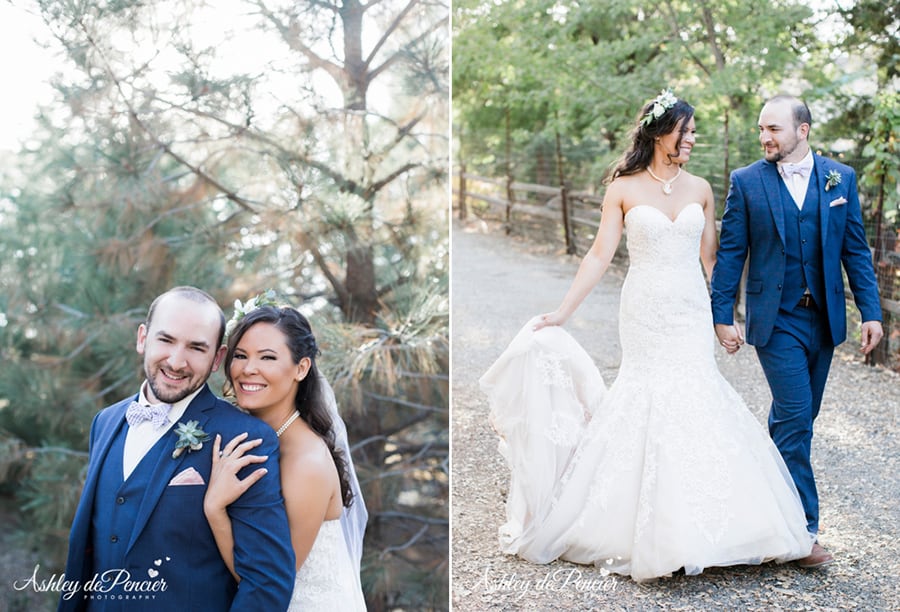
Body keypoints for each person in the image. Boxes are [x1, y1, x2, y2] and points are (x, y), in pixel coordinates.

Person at [481, 90, 815, 583]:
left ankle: (715, 524)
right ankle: (642, 528)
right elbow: (598, 255)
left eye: (695, 133)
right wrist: (562, 313)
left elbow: (713, 262)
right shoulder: (623, 187)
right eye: (687, 132)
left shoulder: (701, 187)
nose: (693, 140)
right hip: (643, 309)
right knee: (646, 396)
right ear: (661, 134)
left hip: (689, 309)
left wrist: (725, 316)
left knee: (697, 395)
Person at [711, 94, 883, 568]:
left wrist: (871, 312)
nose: (766, 137)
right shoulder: (746, 182)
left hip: (824, 318)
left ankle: (760, 504)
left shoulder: (839, 179)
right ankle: (802, 532)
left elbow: (856, 253)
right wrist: (721, 314)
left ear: (803, 130)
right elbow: (731, 253)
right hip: (776, 319)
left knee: (795, 422)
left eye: (775, 129)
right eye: (761, 130)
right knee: (795, 414)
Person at [59, 286, 295, 611]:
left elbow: (267, 583)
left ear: (218, 358)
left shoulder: (245, 437)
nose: (176, 361)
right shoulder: (105, 421)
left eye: (196, 348)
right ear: (143, 338)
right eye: (166, 340)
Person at [203, 301, 367, 610]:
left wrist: (215, 509)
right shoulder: (247, 436)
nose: (248, 369)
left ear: (301, 368)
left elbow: (266, 582)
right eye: (240, 355)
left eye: (267, 357)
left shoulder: (308, 463)